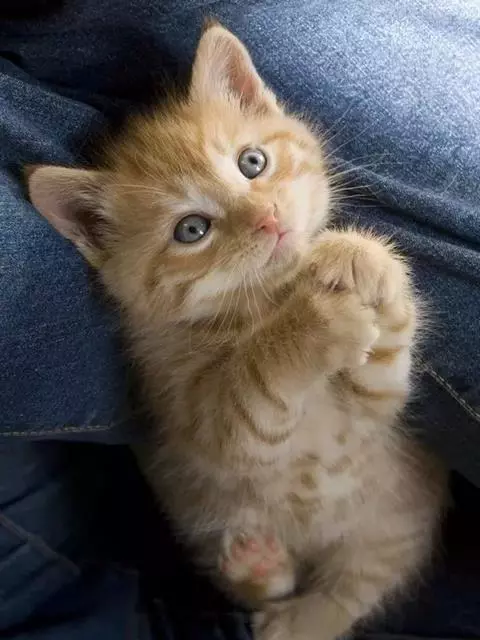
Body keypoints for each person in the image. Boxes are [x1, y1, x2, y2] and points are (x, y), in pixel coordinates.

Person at [1, 1, 480, 638]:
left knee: (403, 525)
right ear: (98, 237)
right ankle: (263, 587)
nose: (262, 215)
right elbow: (240, 446)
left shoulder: (321, 259)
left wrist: (387, 311)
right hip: (251, 501)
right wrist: (296, 341)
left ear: (260, 102)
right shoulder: (178, 338)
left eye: (253, 164)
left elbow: (380, 400)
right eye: (192, 228)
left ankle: (334, 602)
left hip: (373, 505)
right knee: (238, 545)